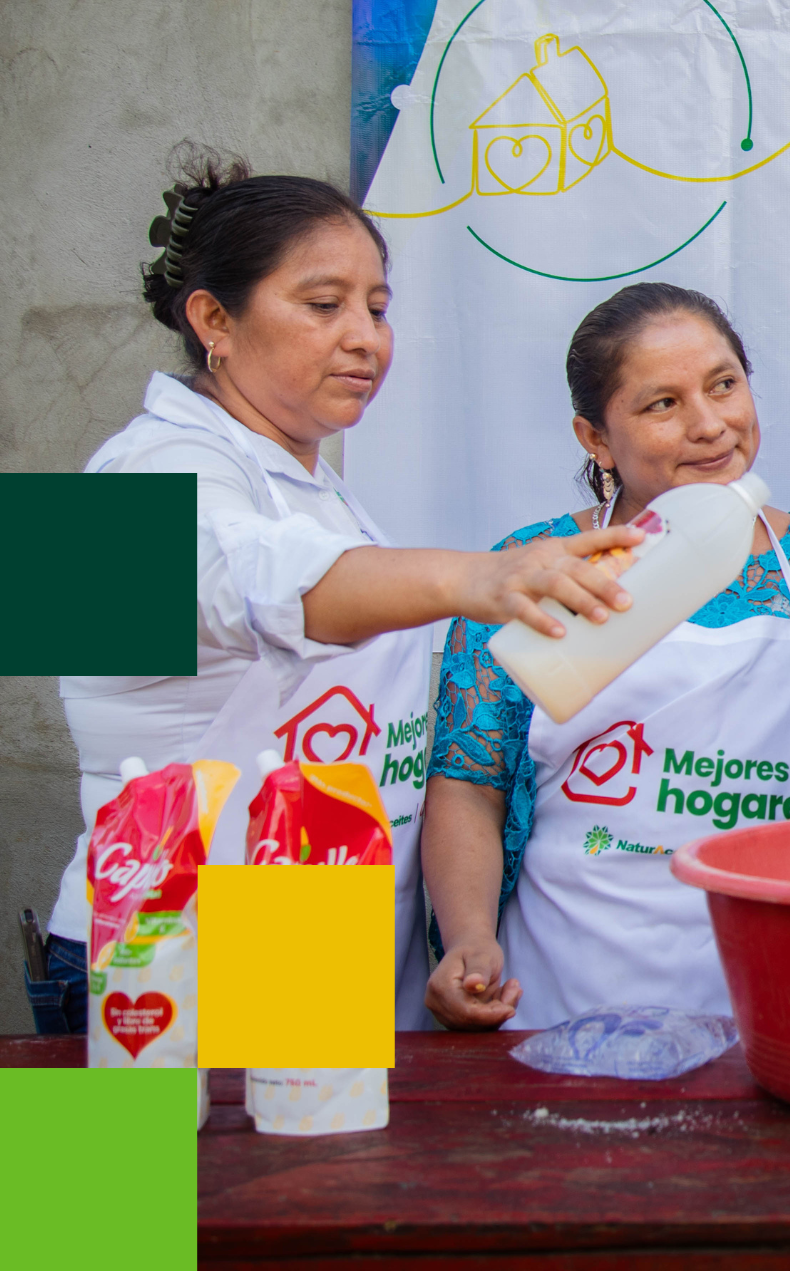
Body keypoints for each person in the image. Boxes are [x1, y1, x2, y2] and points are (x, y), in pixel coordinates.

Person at [32, 147, 638, 1035]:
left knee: (321, 1138)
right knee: (127, 1143)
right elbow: (249, 584)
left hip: (304, 949)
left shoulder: (312, 486)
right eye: (325, 305)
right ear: (214, 318)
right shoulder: (131, 474)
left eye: (377, 308)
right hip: (160, 957)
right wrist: (476, 577)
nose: (366, 337)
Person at [422, 282, 790, 1030]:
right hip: (561, 1009)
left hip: (775, 1010)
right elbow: (469, 783)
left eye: (724, 384)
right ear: (596, 439)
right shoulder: (534, 570)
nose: (710, 425)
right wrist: (470, 938)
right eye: (662, 404)